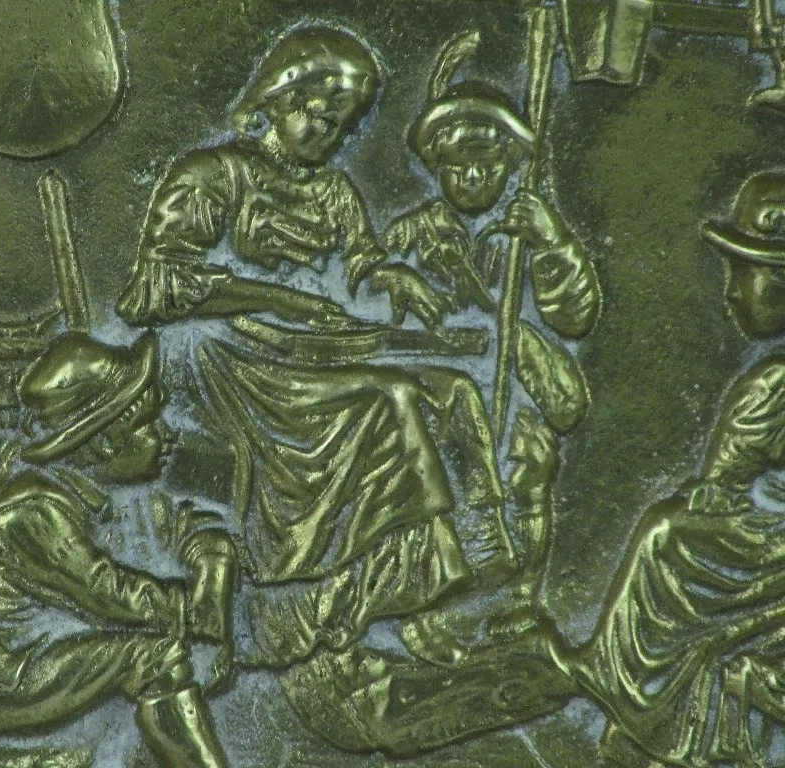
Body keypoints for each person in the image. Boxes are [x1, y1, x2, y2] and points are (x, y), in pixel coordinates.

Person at [117, 25, 515, 669]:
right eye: (319, 117)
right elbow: (155, 285)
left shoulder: (333, 191)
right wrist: (277, 301)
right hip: (225, 357)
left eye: (341, 126)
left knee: (456, 393)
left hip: (310, 347)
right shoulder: (213, 175)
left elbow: (358, 264)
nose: (329, 136)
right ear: (278, 98)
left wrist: (388, 276)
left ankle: (463, 564)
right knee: (391, 402)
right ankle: (362, 596)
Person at [0, 332, 233, 768]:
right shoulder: (34, 511)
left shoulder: (82, 497)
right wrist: (191, 610)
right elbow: (104, 592)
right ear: (104, 441)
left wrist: (212, 562)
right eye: (148, 425)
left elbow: (179, 527)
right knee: (152, 655)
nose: (167, 434)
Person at [554, 171, 785, 767]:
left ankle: (628, 687)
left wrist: (716, 495)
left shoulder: (774, 384)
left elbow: (727, 480)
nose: (731, 293)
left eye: (746, 274)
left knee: (666, 540)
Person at [388, 32, 600, 345]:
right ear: (436, 167)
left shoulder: (527, 231)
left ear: (511, 163)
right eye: (457, 166)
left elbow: (575, 321)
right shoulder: (413, 234)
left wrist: (552, 244)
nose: (473, 177)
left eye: (488, 167)